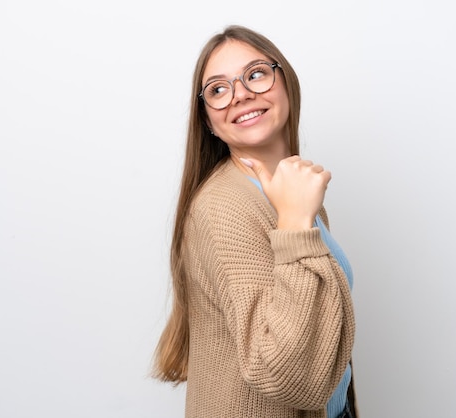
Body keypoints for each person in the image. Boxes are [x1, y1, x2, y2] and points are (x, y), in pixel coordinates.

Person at [153, 24, 357, 418]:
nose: (241, 93)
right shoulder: (223, 207)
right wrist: (295, 223)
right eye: (218, 89)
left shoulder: (292, 190)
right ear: (209, 121)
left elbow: (319, 327)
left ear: (287, 83)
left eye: (256, 74)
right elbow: (283, 375)